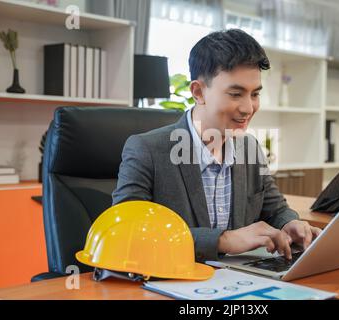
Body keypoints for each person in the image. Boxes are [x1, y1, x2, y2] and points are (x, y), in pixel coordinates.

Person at [112, 29, 321, 262]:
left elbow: (274, 209)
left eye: (254, 94)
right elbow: (125, 233)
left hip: (241, 282)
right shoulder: (147, 150)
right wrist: (223, 240)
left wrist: (290, 222)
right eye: (235, 94)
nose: (248, 108)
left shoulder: (249, 148)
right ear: (198, 92)